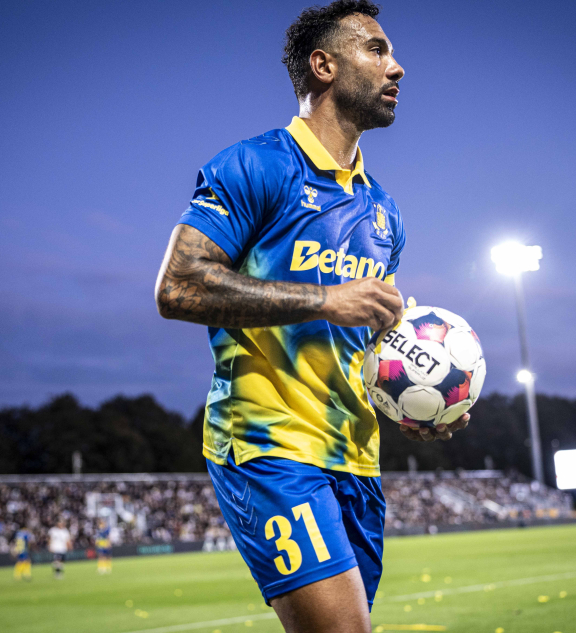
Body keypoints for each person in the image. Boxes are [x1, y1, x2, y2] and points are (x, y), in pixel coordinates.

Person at [154, 2, 468, 631]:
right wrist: (326, 300)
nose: (397, 67)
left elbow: (373, 336)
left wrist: (416, 399)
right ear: (323, 66)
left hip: (356, 459)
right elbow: (178, 286)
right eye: (376, 49)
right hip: (269, 445)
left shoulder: (384, 212)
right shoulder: (257, 165)